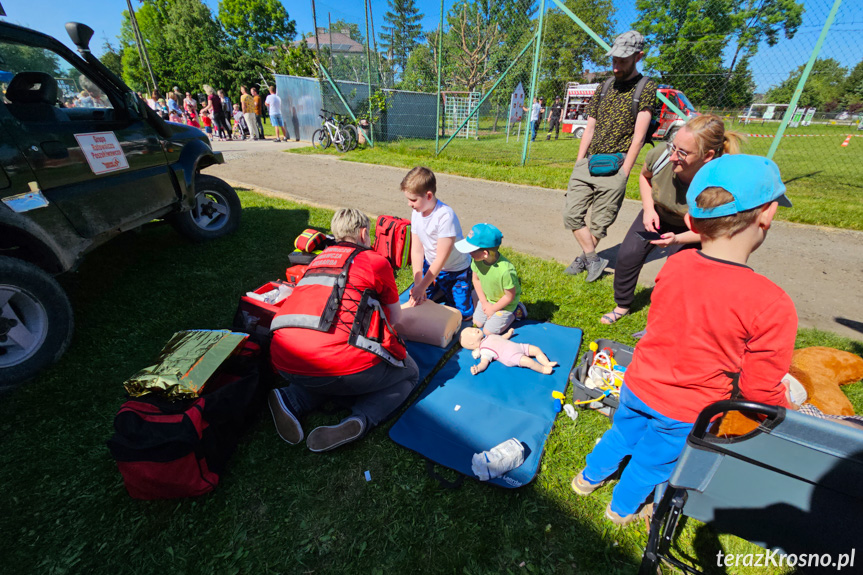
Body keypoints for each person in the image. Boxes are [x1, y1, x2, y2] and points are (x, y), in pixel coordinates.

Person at [571, 154, 796, 525]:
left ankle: (587, 479)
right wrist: (788, 411)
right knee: (652, 461)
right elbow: (759, 392)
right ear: (767, 215)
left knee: (621, 436)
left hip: (639, 383)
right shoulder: (771, 303)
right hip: (686, 409)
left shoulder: (674, 265)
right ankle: (620, 509)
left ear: (690, 220)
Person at [268, 208, 420, 452]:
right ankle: (360, 420)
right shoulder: (375, 261)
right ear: (362, 233)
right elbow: (396, 318)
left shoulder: (316, 260)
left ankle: (291, 398)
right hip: (339, 365)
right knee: (410, 373)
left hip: (284, 359)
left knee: (324, 374)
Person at [600, 115, 744, 324]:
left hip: (694, 229)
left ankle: (666, 316)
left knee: (675, 273)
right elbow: (644, 176)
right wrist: (649, 209)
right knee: (628, 255)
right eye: (672, 147)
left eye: (682, 153)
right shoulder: (661, 155)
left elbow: (712, 229)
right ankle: (622, 305)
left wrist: (676, 240)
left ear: (708, 155)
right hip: (657, 215)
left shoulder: (720, 182)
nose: (672, 157)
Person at [563, 30, 657, 282]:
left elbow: (639, 136)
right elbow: (590, 126)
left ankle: (584, 258)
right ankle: (593, 258)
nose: (616, 67)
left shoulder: (645, 87)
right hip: (589, 161)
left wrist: (625, 172)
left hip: (616, 165)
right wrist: (578, 161)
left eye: (622, 61)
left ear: (639, 56)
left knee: (600, 222)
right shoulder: (604, 86)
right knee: (571, 214)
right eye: (613, 60)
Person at [402, 166, 474, 319]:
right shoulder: (417, 212)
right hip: (432, 265)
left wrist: (422, 286)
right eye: (408, 199)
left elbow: (441, 258)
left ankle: (469, 285)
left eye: (413, 200)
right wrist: (418, 282)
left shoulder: (445, 216)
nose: (409, 204)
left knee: (462, 314)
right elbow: (416, 250)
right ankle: (439, 288)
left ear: (428, 195)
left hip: (456, 271)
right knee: (418, 300)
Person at [454, 223, 526, 335]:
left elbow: (509, 296)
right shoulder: (477, 260)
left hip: (505, 305)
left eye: (472, 250)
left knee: (489, 331)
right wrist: (484, 303)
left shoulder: (505, 271)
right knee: (477, 323)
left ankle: (516, 312)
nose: (469, 253)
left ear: (485, 254)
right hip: (488, 299)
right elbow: (476, 280)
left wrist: (493, 309)